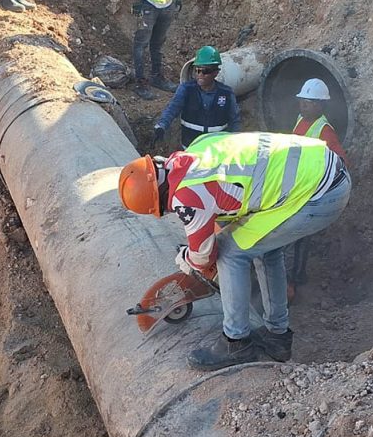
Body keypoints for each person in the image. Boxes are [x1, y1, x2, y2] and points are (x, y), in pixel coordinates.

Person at [118, 132, 351, 371]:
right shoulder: (197, 149)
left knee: (231, 253)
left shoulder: (190, 196)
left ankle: (236, 341)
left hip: (317, 194)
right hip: (321, 167)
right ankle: (277, 336)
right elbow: (232, 199)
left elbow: (203, 257)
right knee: (265, 250)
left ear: (159, 202)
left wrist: (188, 257)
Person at [287, 78, 349, 295]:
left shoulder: (325, 131)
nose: (303, 105)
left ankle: (296, 279)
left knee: (301, 235)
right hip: (295, 186)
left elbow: (341, 161)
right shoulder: (300, 120)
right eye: (302, 101)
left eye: (309, 102)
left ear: (320, 105)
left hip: (310, 191)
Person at [153, 45, 241, 149]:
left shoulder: (226, 93)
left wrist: (233, 144)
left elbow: (235, 121)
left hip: (215, 151)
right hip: (190, 149)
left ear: (215, 72)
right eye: (197, 70)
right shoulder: (186, 89)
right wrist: (162, 125)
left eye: (205, 71)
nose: (200, 74)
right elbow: (172, 109)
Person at [127, 0, 181, 100]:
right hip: (147, 1)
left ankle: (157, 77)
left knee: (158, 43)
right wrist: (135, 2)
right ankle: (140, 83)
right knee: (141, 44)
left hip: (167, 2)